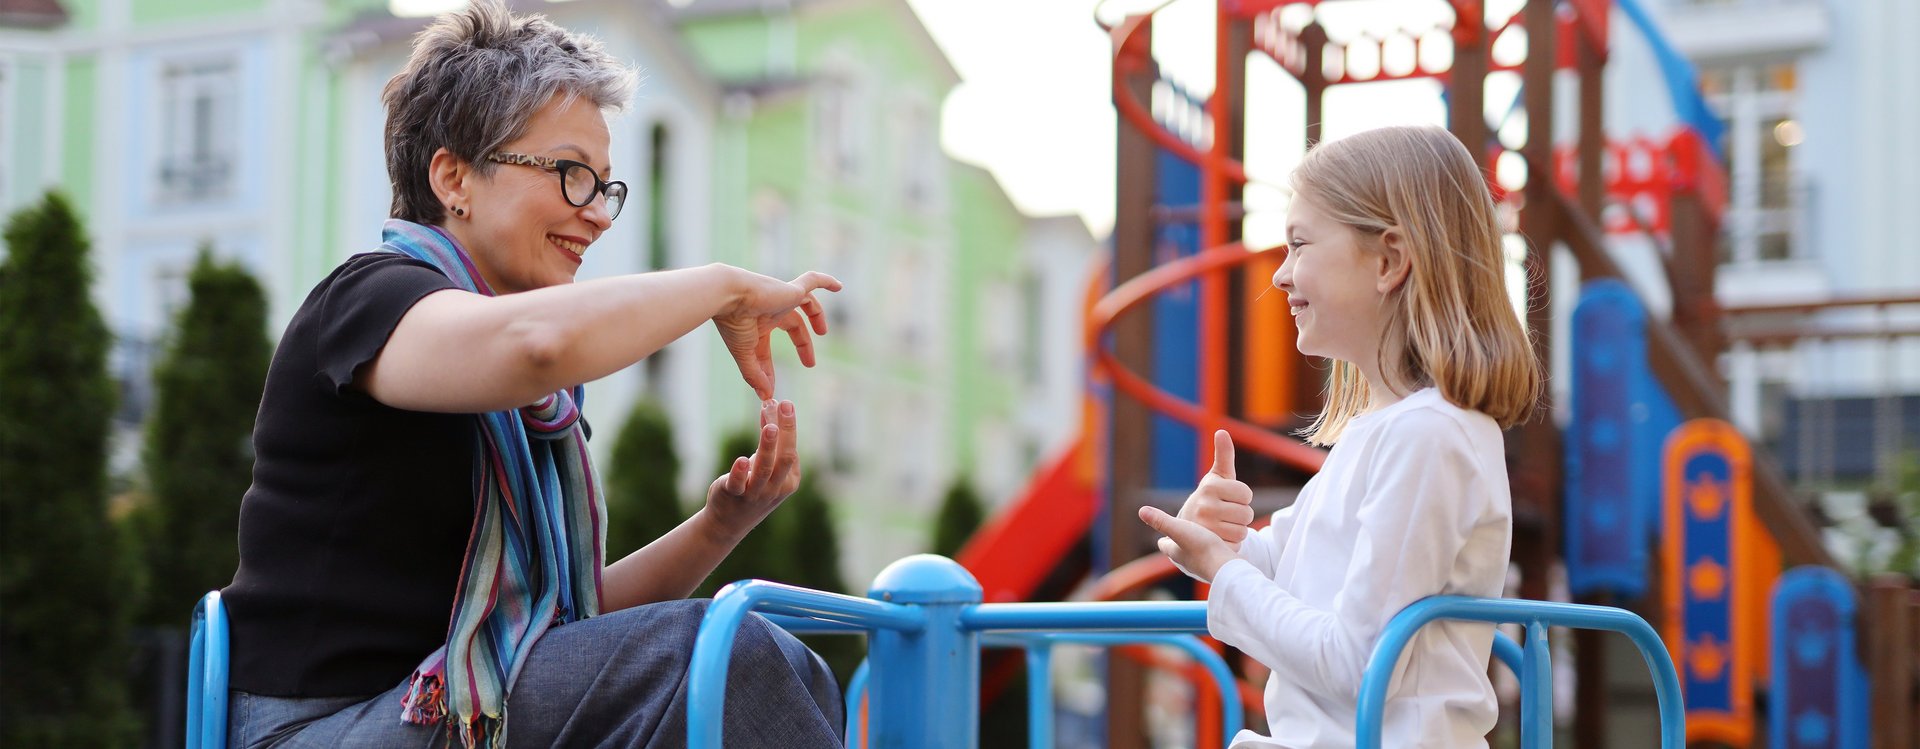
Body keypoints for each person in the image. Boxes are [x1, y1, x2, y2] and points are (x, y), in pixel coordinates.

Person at [220, 3, 845, 747]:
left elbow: (573, 627)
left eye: (606, 186)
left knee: (791, 664)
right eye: (572, 174)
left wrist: (720, 525)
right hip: (318, 726)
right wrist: (723, 286)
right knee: (726, 653)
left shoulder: (537, 398)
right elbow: (535, 345)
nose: (598, 213)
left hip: (457, 706)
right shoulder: (369, 301)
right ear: (454, 176)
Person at [1139, 125, 1542, 749]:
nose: (1280, 276)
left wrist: (1224, 572)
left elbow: (1359, 665)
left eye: (1299, 245)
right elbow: (1285, 572)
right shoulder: (1386, 431)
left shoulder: (1429, 436)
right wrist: (1216, 541)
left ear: (1388, 261)